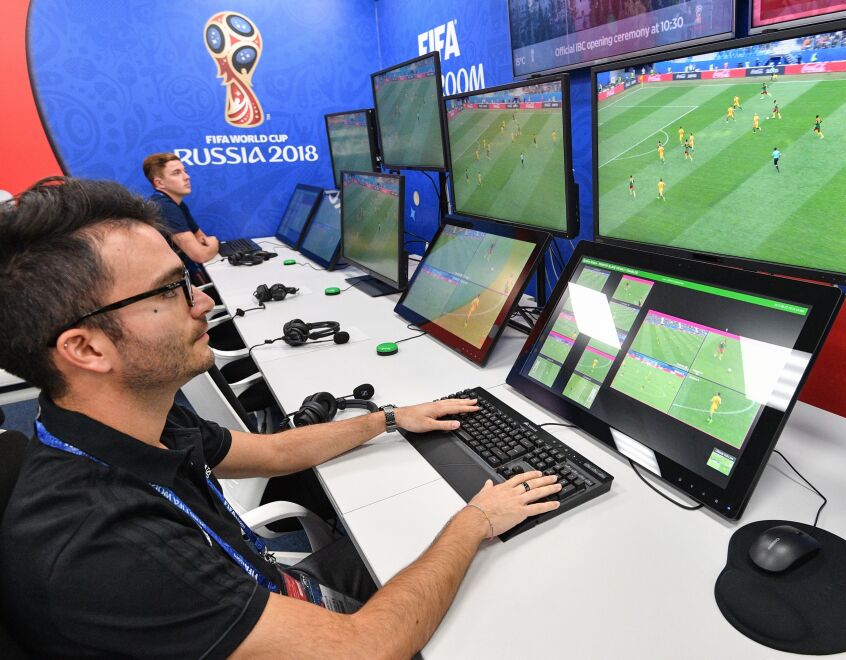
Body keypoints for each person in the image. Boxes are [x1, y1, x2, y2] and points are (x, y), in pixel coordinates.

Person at [0, 177, 562, 658]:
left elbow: (273, 452)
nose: (202, 302)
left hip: (270, 588)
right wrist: (477, 519)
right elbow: (366, 647)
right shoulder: (106, 551)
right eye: (171, 291)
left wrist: (390, 419)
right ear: (86, 349)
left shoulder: (128, 419)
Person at [143, 153, 219, 284]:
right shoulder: (164, 206)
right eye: (177, 173)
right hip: (167, 285)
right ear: (159, 183)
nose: (187, 177)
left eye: (185, 171)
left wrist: (206, 245)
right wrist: (215, 243)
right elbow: (199, 254)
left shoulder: (177, 204)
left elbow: (201, 238)